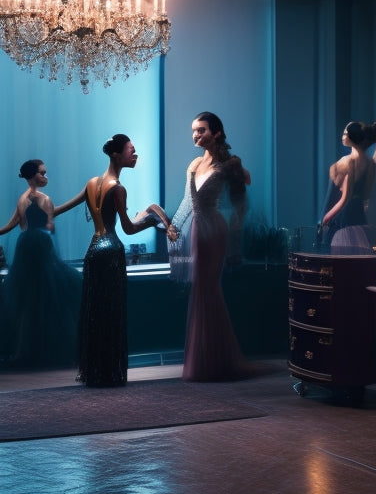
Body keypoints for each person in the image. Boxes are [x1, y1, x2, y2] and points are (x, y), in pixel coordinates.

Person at [55, 135, 173, 387]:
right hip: (111, 253)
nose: (136, 154)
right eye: (131, 150)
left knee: (95, 313)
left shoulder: (92, 183)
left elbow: (60, 208)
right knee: (111, 313)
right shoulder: (118, 188)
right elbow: (129, 229)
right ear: (116, 155)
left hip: (93, 251)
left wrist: (44, 210)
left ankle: (95, 371)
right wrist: (150, 219)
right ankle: (109, 372)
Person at [169, 111, 251, 382]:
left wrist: (236, 243)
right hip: (195, 231)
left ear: (216, 133)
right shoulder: (193, 164)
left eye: (201, 130)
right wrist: (173, 227)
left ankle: (213, 360)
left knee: (208, 289)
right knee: (201, 291)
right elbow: (186, 202)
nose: (196, 135)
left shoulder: (230, 164)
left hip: (214, 231)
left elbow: (241, 206)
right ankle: (207, 359)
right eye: (194, 130)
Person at [0, 160, 82, 368]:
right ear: (33, 176)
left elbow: (13, 224)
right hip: (40, 246)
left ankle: (27, 350)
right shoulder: (43, 199)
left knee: (30, 299)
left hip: (27, 245)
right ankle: (46, 350)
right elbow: (50, 225)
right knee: (46, 296)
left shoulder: (23, 199)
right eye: (43, 174)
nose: (46, 177)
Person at [321, 120, 376, 252]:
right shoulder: (370, 164)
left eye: (345, 133)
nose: (343, 136)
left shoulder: (347, 163)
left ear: (351, 137)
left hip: (345, 217)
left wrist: (326, 217)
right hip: (360, 216)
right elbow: (366, 194)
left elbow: (344, 199)